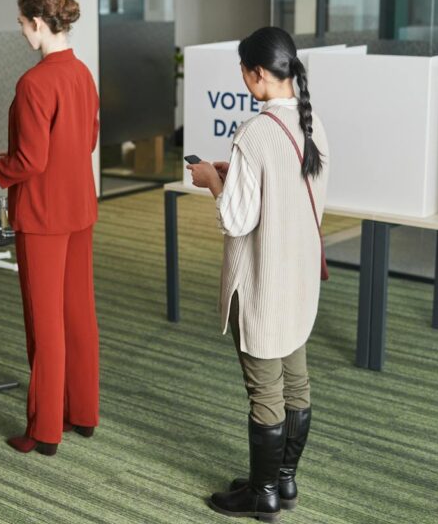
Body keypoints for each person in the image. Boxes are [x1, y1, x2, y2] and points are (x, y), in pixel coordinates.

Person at [187, 27, 329, 522]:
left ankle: (262, 495)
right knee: (296, 384)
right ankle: (283, 482)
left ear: (258, 74)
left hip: (263, 284)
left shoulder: (254, 133)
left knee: (264, 391)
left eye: (244, 72)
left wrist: (211, 181)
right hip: (298, 278)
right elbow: (286, 196)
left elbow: (236, 220)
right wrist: (237, 175)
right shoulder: (314, 126)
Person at [0, 0, 100, 456]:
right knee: (78, 315)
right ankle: (83, 414)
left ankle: (45, 430)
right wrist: (23, 158)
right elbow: (85, 140)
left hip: (42, 215)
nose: (22, 32)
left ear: (39, 24)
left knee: (44, 324)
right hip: (78, 208)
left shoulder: (34, 83)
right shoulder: (82, 74)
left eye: (24, 24)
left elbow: (30, 162)